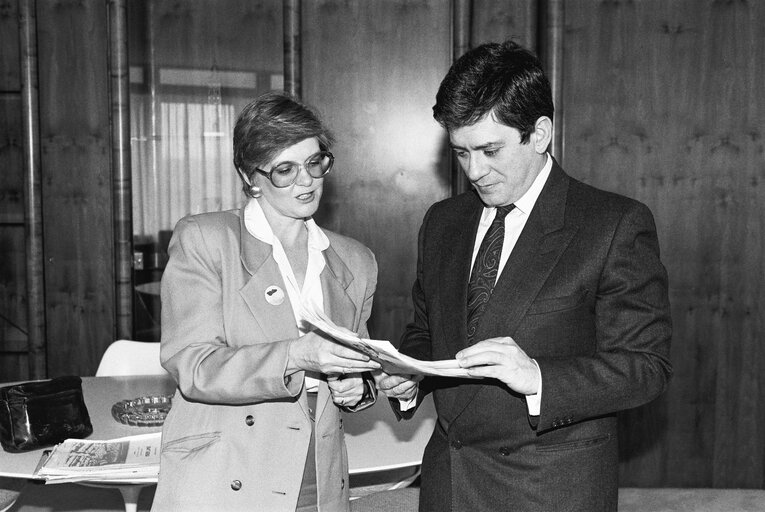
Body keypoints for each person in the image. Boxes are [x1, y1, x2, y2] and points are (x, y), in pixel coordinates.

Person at [376, 40, 673, 511]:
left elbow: (646, 368)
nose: (475, 171)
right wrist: (410, 375)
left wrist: (537, 376)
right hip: (448, 486)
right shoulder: (442, 222)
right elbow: (428, 331)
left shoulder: (612, 224)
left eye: (490, 150)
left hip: (550, 490)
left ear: (539, 134)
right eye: (461, 153)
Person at [152, 91, 381, 512]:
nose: (307, 181)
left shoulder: (356, 261)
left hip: (319, 474)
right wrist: (297, 355)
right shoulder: (207, 240)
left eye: (315, 163)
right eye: (285, 170)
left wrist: (357, 385)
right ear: (249, 175)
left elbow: (359, 361)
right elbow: (194, 366)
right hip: (227, 472)